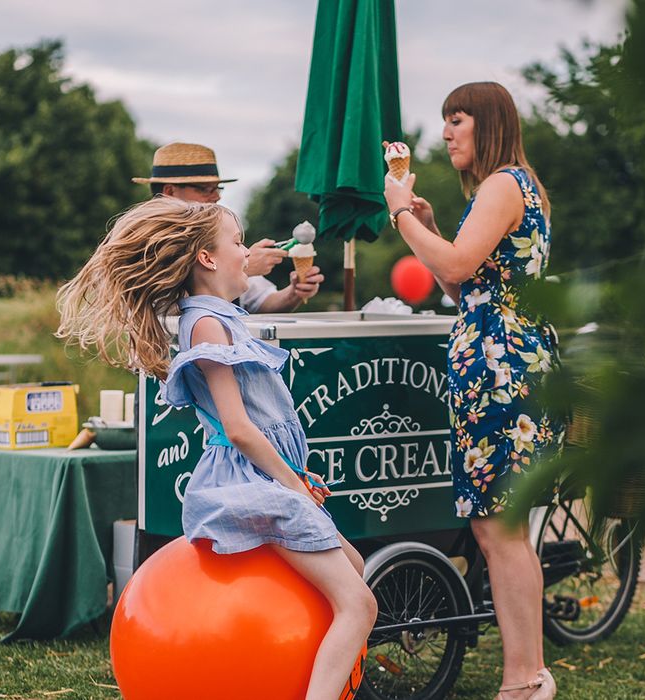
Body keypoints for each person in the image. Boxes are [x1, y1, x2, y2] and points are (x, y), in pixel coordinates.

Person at [55, 197, 376, 700]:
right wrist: (291, 485)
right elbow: (240, 428)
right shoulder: (207, 324)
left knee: (355, 567)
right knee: (359, 604)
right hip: (247, 484)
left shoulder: (221, 316)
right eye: (238, 241)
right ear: (208, 259)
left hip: (264, 476)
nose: (245, 252)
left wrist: (295, 476)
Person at [384, 82, 563, 700]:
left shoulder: (503, 184)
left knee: (500, 529)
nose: (446, 133)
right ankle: (531, 674)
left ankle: (524, 680)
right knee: (500, 529)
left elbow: (458, 270)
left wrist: (401, 211)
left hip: (501, 373)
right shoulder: (519, 186)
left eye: (456, 120)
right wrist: (432, 227)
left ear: (486, 123)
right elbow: (469, 287)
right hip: (505, 366)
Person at [132, 141, 324, 312]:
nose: (217, 196)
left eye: (218, 188)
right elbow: (158, 305)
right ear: (169, 191)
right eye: (205, 189)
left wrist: (295, 292)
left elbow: (262, 301)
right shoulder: (141, 241)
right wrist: (241, 269)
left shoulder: (217, 233)